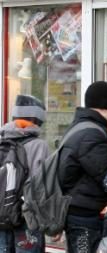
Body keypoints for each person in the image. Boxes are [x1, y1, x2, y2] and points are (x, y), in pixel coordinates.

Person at [58, 81, 107, 253]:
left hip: (78, 210)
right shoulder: (91, 134)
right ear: (105, 107)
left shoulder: (81, 126)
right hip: (84, 215)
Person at [0, 95, 49, 253]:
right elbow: (41, 186)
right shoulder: (39, 145)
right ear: (38, 118)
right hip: (26, 217)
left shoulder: (2, 140)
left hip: (2, 214)